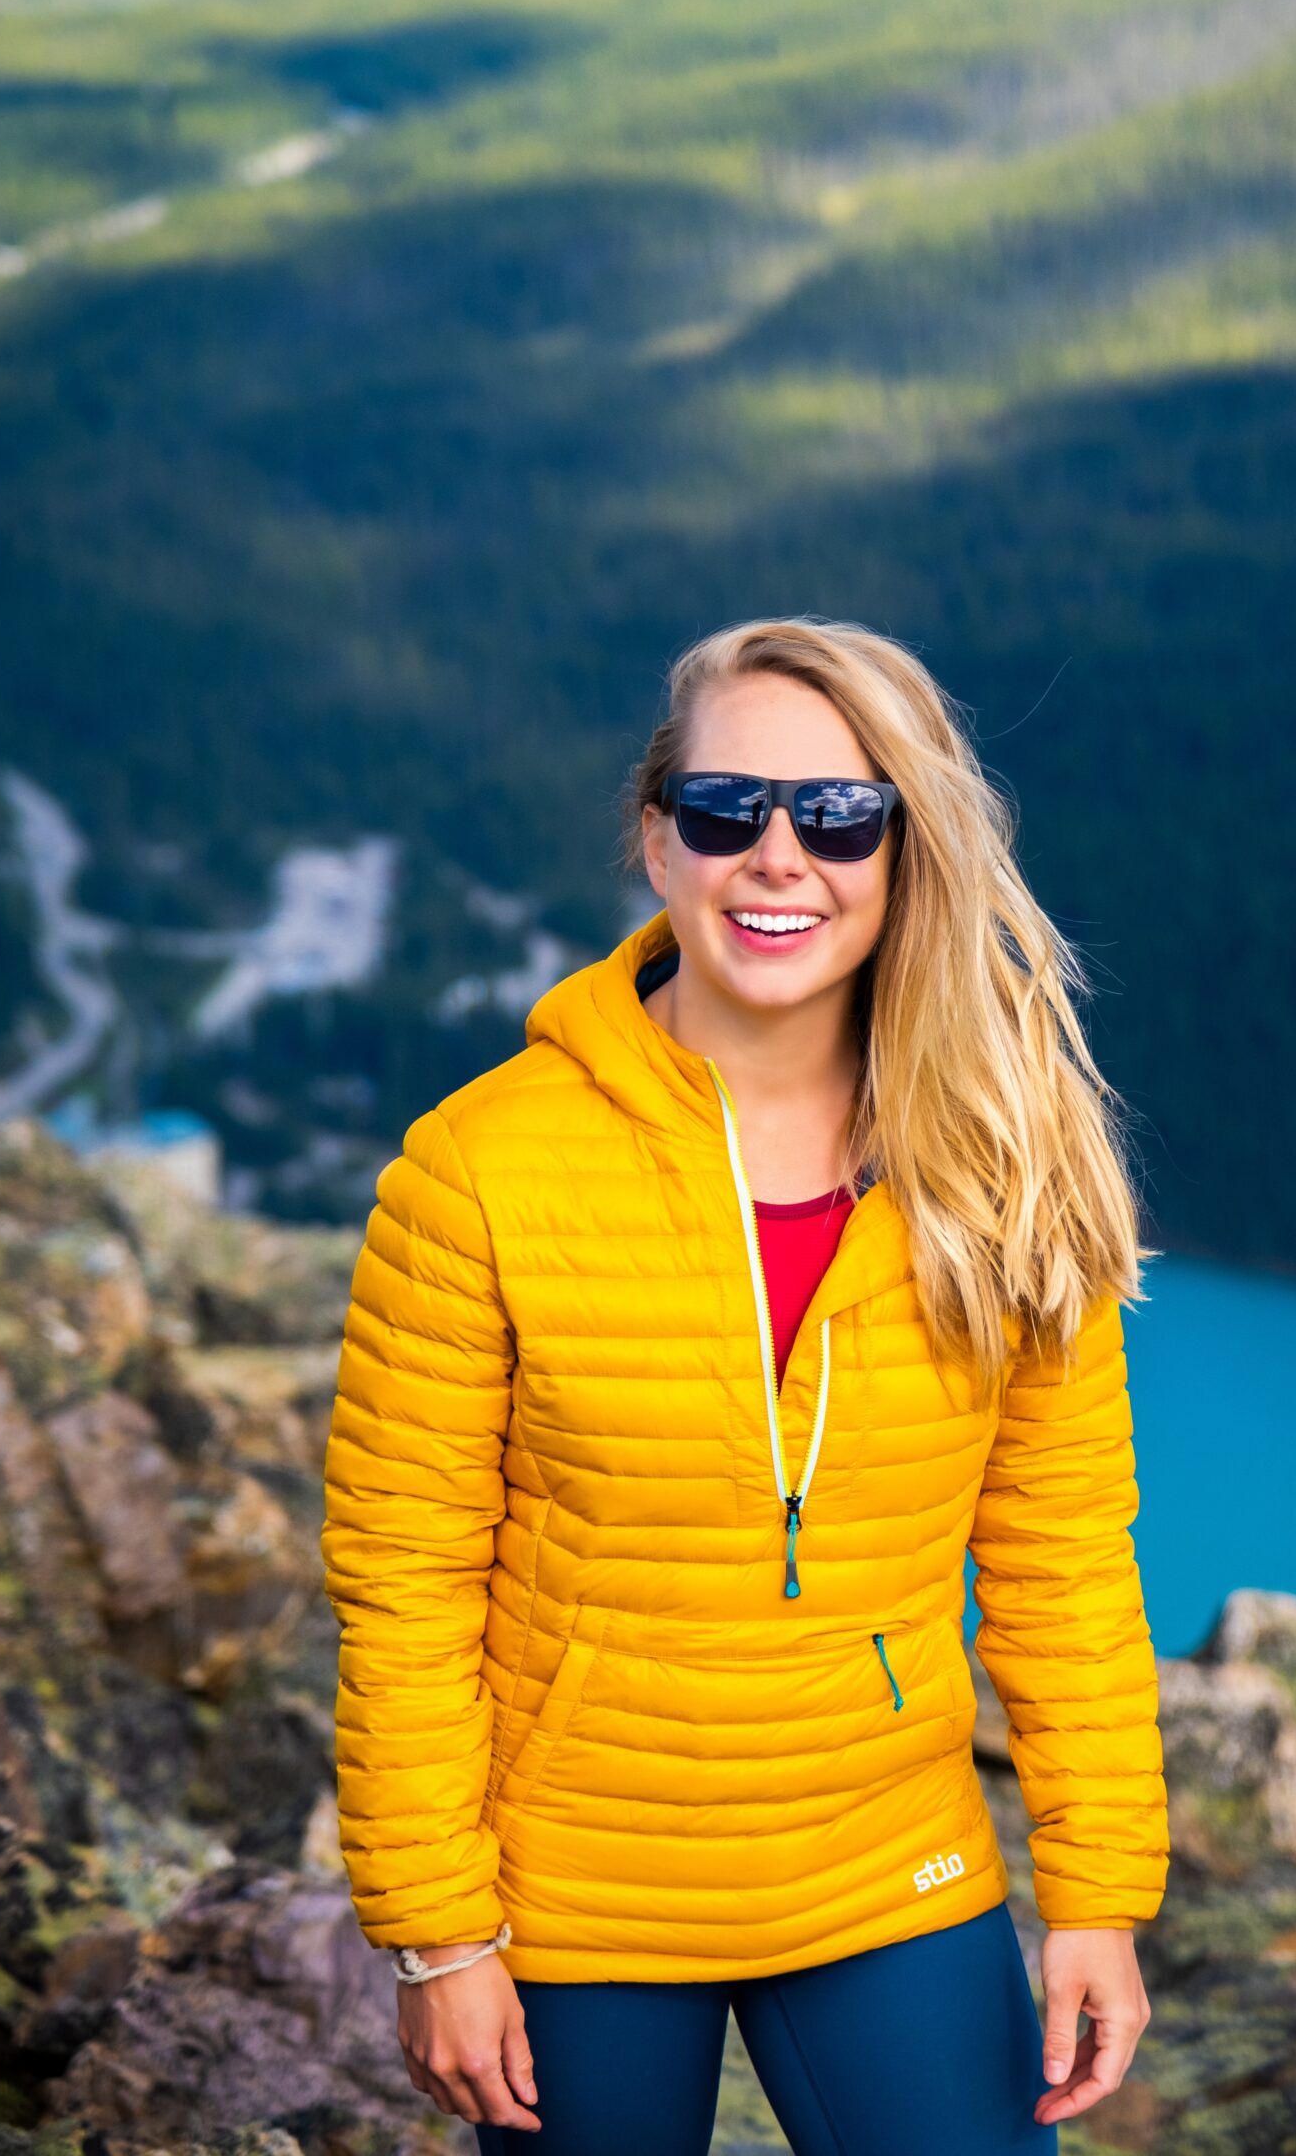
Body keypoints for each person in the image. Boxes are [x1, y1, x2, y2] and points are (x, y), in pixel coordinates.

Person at [320, 616, 1169, 2155]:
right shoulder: (477, 1172)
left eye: (840, 816)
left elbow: (1062, 1564)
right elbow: (405, 1582)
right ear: (659, 842)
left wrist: (1098, 1889)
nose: (780, 856)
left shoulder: (1003, 1162)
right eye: (729, 811)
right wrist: (435, 1933)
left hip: (884, 1865)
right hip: (573, 1891)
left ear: (907, 852)